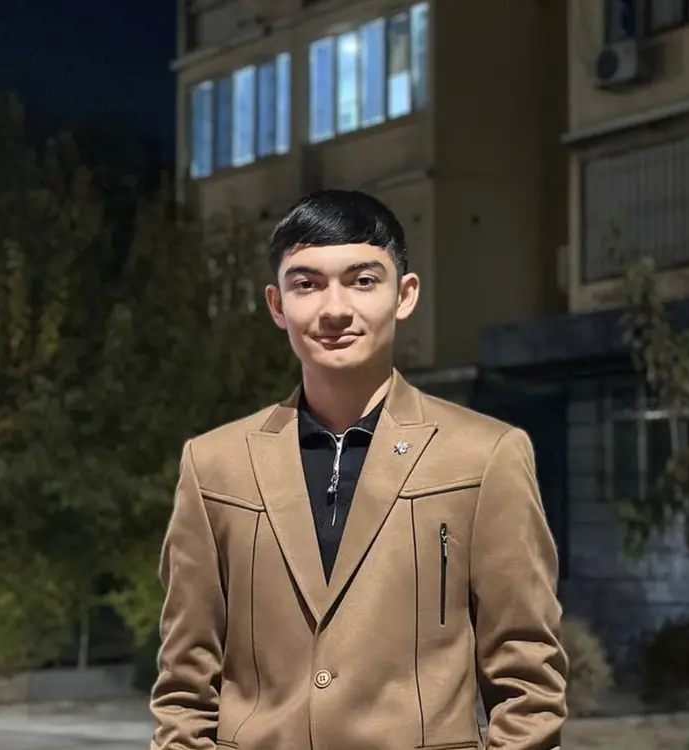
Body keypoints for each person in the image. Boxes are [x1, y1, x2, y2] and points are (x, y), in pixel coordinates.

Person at [150, 189, 568, 750]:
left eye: (363, 280)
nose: (334, 309)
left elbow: (527, 679)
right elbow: (185, 684)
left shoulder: (484, 455)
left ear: (405, 294)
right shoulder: (214, 466)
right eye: (307, 284)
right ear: (277, 304)